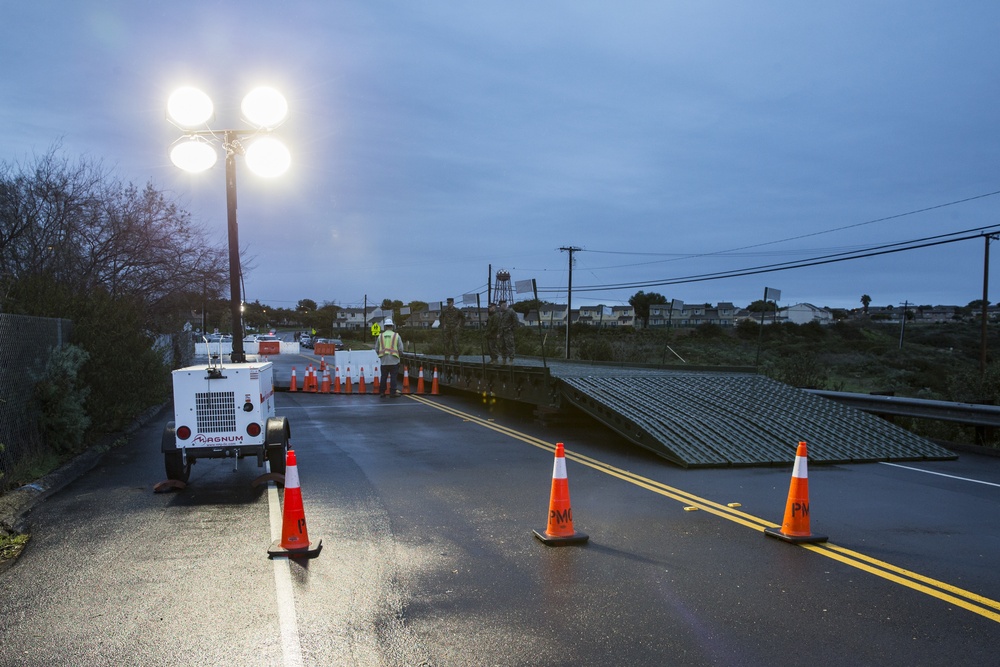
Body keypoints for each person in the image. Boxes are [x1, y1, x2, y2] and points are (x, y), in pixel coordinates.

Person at [376, 318, 404, 397]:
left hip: (384, 360)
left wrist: (381, 356)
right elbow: (401, 349)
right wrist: (398, 355)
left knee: (383, 376)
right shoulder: (396, 335)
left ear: (385, 327)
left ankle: (382, 392)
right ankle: (393, 392)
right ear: (392, 326)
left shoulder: (380, 336)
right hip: (394, 360)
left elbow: (377, 349)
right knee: (393, 377)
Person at [440, 297, 465, 361]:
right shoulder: (445, 311)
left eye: (450, 303)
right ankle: (447, 357)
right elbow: (441, 318)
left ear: (453, 303)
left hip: (454, 329)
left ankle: (456, 357)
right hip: (447, 329)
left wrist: (459, 326)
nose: (448, 304)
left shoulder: (457, 311)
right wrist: (443, 325)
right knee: (446, 343)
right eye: (448, 303)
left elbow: (463, 318)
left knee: (455, 344)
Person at [498, 299, 518, 364]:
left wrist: (510, 328)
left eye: (500, 306)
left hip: (508, 332)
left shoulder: (511, 312)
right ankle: (504, 359)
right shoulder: (501, 313)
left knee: (510, 345)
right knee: (502, 346)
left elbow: (516, 322)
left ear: (504, 305)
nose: (500, 307)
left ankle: (511, 359)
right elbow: (500, 323)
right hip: (502, 332)